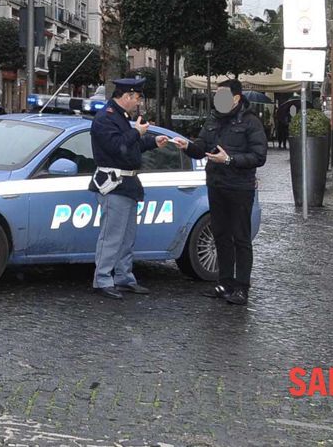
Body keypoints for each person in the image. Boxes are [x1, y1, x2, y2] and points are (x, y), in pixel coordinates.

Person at [172, 79, 267, 305]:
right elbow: (202, 146)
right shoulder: (214, 118)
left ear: (236, 98)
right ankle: (224, 283)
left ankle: (242, 287)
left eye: (222, 95)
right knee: (221, 235)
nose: (218, 99)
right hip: (216, 185)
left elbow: (259, 157)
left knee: (240, 238)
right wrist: (187, 146)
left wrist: (230, 160)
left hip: (240, 187)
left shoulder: (251, 122)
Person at [89, 77, 170, 299]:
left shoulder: (121, 117)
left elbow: (130, 145)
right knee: (111, 236)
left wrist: (152, 141)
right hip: (113, 184)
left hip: (127, 184)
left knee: (127, 237)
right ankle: (103, 279)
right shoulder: (105, 118)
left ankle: (124, 277)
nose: (138, 104)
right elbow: (118, 146)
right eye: (136, 99)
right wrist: (137, 133)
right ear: (126, 96)